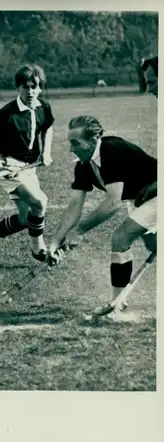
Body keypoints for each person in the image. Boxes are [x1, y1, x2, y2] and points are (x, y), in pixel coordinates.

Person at [48, 115, 157, 318]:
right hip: (142, 199)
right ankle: (118, 303)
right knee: (154, 246)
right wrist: (55, 243)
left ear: (93, 140)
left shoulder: (111, 150)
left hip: (157, 191)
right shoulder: (83, 165)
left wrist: (79, 230)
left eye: (75, 143)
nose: (71, 149)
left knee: (120, 238)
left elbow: (113, 202)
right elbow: (74, 206)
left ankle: (117, 305)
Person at [0, 63, 54, 266]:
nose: (30, 91)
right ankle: (38, 249)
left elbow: (47, 128)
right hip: (8, 165)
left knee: (27, 218)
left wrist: (46, 152)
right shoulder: (5, 115)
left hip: (28, 167)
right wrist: (1, 168)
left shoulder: (43, 107)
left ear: (40, 87)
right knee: (40, 202)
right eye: (26, 87)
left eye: (34, 87)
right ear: (18, 87)